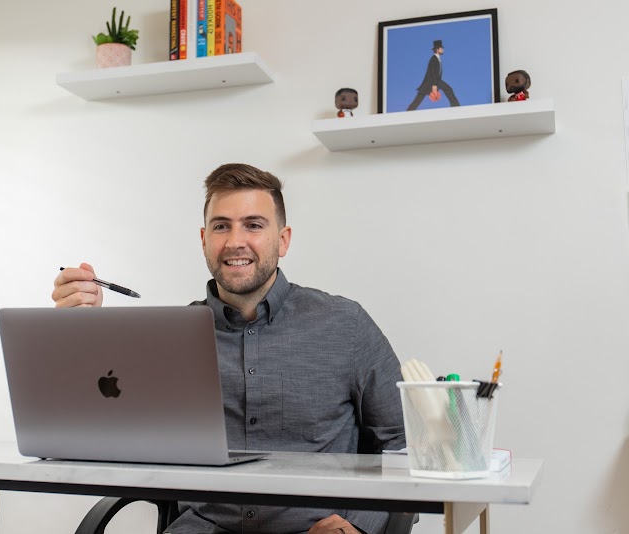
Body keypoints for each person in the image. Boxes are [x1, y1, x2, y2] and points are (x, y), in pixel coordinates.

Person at [53, 163, 406, 534]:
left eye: (253, 225)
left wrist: (360, 526)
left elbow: (404, 444)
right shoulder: (168, 339)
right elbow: (105, 438)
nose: (235, 241)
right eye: (221, 226)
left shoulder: (345, 324)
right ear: (204, 239)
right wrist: (80, 333)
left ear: (283, 240)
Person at [407, 39, 460, 111]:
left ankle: (456, 106)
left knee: (448, 89)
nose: (443, 50)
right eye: (441, 48)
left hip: (435, 81)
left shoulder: (437, 59)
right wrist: (434, 85)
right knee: (420, 97)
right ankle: (409, 111)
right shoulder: (433, 59)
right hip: (431, 81)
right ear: (437, 50)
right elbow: (432, 73)